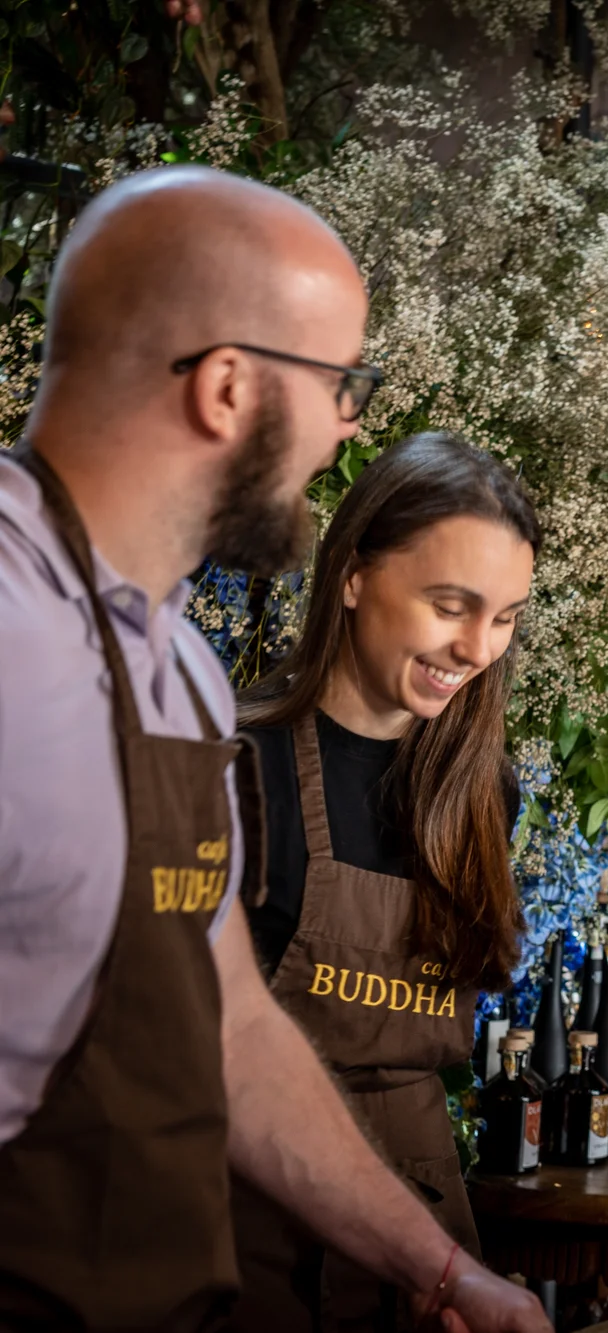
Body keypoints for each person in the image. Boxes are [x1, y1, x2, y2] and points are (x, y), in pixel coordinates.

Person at [0, 166, 547, 1331]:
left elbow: (237, 1031)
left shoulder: (178, 674)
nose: (352, 422)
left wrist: (449, 1274)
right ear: (229, 387)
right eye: (342, 381)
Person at [226, 432, 539, 1331]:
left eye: (507, 616)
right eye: (452, 605)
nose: (478, 646)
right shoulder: (238, 763)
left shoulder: (482, 792)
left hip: (428, 1235)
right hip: (249, 1227)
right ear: (355, 573)